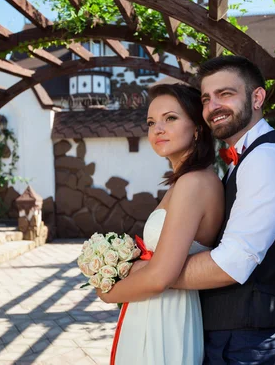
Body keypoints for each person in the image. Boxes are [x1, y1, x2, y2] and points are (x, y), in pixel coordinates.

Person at [138, 55, 275, 364]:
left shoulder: (267, 159)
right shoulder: (242, 160)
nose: (213, 106)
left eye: (226, 94)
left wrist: (153, 272)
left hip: (243, 342)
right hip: (226, 336)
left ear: (257, 97)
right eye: (206, 99)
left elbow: (231, 264)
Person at [97, 83, 225, 365]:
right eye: (152, 122)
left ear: (197, 128)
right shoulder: (190, 180)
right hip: (160, 310)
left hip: (165, 314)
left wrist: (108, 291)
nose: (157, 129)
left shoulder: (194, 183)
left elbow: (159, 277)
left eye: (170, 118)